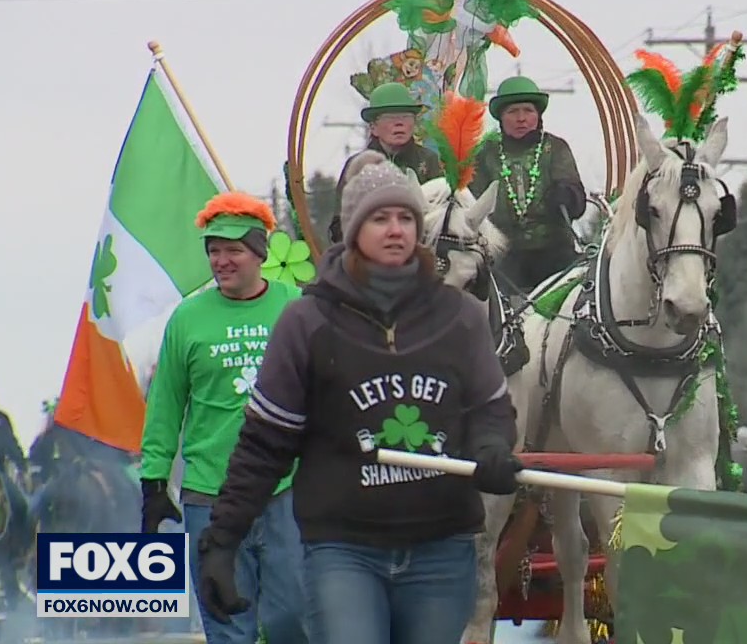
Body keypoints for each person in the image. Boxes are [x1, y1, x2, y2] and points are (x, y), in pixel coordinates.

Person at [198, 162, 521, 644]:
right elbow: (264, 445)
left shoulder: (462, 318)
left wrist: (492, 449)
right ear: (352, 229)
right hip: (343, 550)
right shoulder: (306, 323)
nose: (396, 229)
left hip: (441, 548)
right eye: (380, 218)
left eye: (406, 219)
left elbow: (490, 410)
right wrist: (221, 541)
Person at [139, 192, 308, 644]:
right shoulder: (188, 319)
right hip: (208, 495)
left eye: (233, 249)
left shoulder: (296, 306)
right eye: (214, 250)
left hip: (286, 491)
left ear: (259, 253)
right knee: (228, 628)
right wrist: (154, 478)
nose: (221, 260)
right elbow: (166, 404)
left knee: (293, 621)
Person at [468, 76, 588, 293]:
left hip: (553, 250)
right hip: (503, 254)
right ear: (501, 118)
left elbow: (576, 198)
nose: (521, 118)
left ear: (538, 115)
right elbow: (473, 206)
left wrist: (568, 195)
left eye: (528, 111)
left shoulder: (556, 148)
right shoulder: (486, 154)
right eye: (513, 112)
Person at [329, 82, 441, 243]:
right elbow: (340, 223)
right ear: (373, 128)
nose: (399, 123)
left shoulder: (428, 160)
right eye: (390, 117)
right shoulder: (358, 166)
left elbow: (441, 214)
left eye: (406, 116)